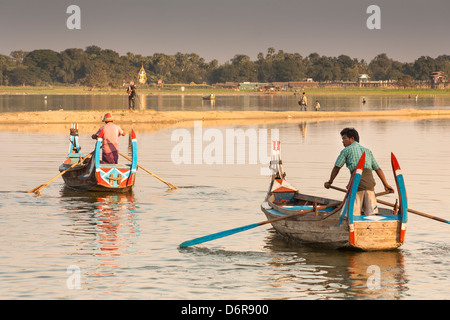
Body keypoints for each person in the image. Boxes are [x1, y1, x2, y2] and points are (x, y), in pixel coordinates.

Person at [324, 128, 394, 215]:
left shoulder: (346, 150)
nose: (342, 141)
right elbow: (378, 169)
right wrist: (386, 185)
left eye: (344, 138)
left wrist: (330, 182)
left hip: (356, 185)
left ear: (352, 138)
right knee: (371, 214)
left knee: (353, 214)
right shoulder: (367, 151)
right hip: (370, 185)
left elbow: (337, 167)